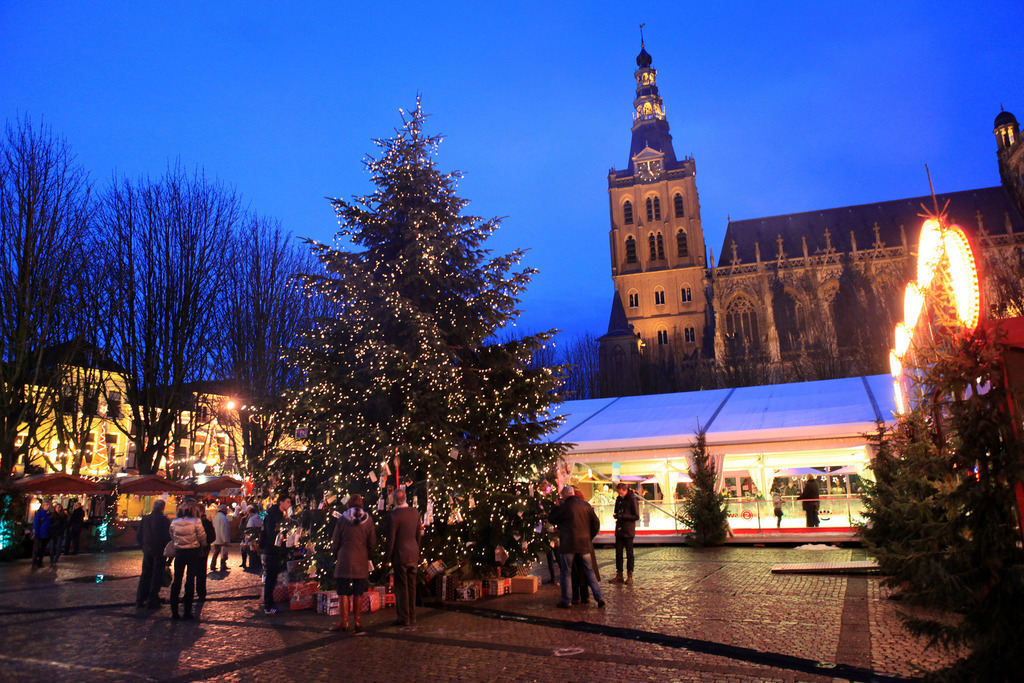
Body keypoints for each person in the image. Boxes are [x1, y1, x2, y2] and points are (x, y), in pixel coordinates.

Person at [549, 486, 605, 609]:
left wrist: (556, 507)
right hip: (584, 544)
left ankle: (566, 600)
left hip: (569, 544)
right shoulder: (586, 505)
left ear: (564, 496)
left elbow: (552, 519)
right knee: (589, 572)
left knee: (566, 573)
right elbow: (596, 523)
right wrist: (589, 536)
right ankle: (599, 597)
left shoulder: (564, 507)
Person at [329, 494, 377, 632]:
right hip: (361, 557)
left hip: (344, 557)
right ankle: (357, 621)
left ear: (349, 504)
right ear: (361, 504)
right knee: (358, 590)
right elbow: (372, 542)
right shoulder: (368, 520)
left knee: (342, 590)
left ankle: (344, 622)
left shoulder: (342, 519)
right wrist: (368, 553)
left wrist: (335, 553)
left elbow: (336, 540)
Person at [386, 489, 422, 627]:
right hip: (413, 553)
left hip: (400, 555)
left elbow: (391, 539)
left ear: (394, 500)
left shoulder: (393, 516)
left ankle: (403, 617)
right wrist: (417, 548)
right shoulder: (415, 512)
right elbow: (418, 534)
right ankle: (412, 616)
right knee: (412, 585)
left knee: (402, 587)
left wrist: (388, 557)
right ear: (405, 498)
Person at [169, 501, 207, 620]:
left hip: (179, 552)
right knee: (190, 581)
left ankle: (174, 610)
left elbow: (171, 534)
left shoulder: (174, 522)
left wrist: (178, 542)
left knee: (177, 581)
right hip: (192, 552)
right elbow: (202, 536)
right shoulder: (196, 521)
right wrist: (203, 543)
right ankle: (187, 611)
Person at [136, 499, 171, 609]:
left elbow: (139, 535)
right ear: (162, 508)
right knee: (156, 575)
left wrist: (144, 545)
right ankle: (152, 599)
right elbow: (167, 536)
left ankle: (140, 599)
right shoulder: (164, 520)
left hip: (148, 550)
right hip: (159, 550)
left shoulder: (145, 518)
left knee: (145, 574)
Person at [260, 495, 292, 614]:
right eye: (287, 502)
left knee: (272, 577)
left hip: (274, 549)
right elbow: (272, 533)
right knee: (271, 577)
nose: (289, 505)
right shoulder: (274, 515)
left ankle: (269, 603)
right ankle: (268, 605)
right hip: (272, 550)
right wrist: (279, 545)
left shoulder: (278, 514)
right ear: (281, 502)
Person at [609, 482, 639, 585]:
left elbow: (636, 516)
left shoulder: (632, 499)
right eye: (618, 493)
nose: (619, 495)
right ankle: (619, 574)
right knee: (618, 553)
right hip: (620, 529)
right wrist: (617, 515)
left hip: (628, 530)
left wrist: (623, 516)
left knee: (629, 553)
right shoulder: (619, 499)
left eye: (620, 493)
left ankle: (629, 575)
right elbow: (617, 511)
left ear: (625, 490)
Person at [196, 503, 215, 601]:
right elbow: (212, 536)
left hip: (199, 550)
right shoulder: (203, 522)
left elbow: (212, 536)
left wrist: (206, 542)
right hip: (199, 550)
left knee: (199, 573)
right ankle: (200, 593)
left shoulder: (204, 522)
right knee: (199, 572)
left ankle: (200, 593)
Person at [31, 500, 51, 569]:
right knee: (36, 549)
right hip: (39, 534)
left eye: (49, 505)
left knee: (42, 549)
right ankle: (34, 562)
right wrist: (36, 534)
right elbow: (36, 525)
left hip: (45, 535)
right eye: (47, 505)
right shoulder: (39, 514)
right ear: (43, 506)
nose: (48, 506)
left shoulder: (49, 514)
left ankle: (40, 561)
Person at [210, 504, 230, 572]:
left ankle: (213, 565)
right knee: (223, 552)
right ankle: (223, 565)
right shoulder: (223, 517)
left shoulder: (216, 516)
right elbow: (224, 529)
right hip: (221, 538)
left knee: (216, 552)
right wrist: (225, 539)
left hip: (216, 537)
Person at [48, 503, 68, 568]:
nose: (58, 509)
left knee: (58, 547)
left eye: (59, 507)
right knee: (52, 547)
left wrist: (61, 529)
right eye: (56, 507)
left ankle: (55, 560)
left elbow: (65, 524)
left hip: (59, 533)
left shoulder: (63, 516)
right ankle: (51, 561)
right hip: (53, 533)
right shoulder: (52, 515)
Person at [244, 505, 263, 572]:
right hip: (259, 537)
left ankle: (252, 564)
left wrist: (246, 541)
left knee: (251, 551)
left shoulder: (251, 519)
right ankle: (258, 563)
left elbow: (249, 530)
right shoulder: (260, 518)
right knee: (258, 551)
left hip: (252, 538)